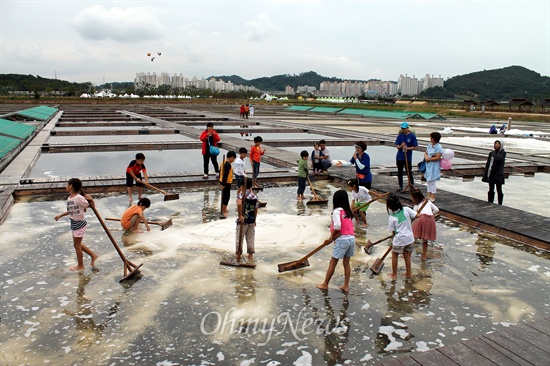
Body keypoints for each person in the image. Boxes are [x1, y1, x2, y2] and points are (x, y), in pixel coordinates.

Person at [54, 178, 98, 271]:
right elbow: (71, 211)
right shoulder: (70, 198)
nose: (66, 187)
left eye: (67, 185)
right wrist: (60, 215)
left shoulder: (79, 198)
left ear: (71, 186)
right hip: (74, 223)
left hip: (79, 223)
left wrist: (91, 200)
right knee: (77, 244)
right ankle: (93, 255)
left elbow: (89, 206)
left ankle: (80, 265)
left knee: (77, 245)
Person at [316, 189, 355, 292]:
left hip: (342, 240)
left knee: (333, 263)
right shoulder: (348, 211)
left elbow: (338, 226)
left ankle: (325, 284)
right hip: (351, 239)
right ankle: (346, 286)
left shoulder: (337, 211)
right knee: (346, 263)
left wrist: (331, 236)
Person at [386, 194, 416, 280]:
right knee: (406, 255)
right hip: (410, 238)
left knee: (394, 255)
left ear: (390, 207)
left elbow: (393, 231)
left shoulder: (392, 218)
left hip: (400, 239)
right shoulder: (406, 209)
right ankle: (409, 273)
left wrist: (394, 234)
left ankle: (394, 274)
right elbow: (416, 215)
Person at [236, 178, 260, 263]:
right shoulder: (254, 196)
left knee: (240, 238)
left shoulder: (241, 195)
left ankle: (238, 254)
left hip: (243, 221)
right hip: (251, 220)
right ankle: (250, 255)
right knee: (250, 238)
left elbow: (239, 203)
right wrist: (255, 219)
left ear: (242, 186)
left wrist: (240, 216)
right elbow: (256, 209)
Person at [411, 189, 439, 261]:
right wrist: (431, 215)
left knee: (414, 237)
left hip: (422, 218)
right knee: (425, 239)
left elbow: (414, 215)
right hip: (430, 220)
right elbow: (437, 210)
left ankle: (408, 253)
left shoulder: (416, 205)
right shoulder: (428, 202)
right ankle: (424, 256)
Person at [394, 122, 418, 192]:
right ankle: (400, 186)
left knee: (408, 172)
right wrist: (401, 146)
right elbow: (397, 146)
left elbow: (414, 147)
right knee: (400, 172)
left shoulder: (412, 136)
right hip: (400, 157)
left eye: (404, 128)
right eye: (402, 128)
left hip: (408, 157)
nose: (403, 130)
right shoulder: (400, 136)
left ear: (407, 128)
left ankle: (411, 185)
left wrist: (407, 148)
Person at [482, 140, 506, 205]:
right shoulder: (492, 153)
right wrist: (486, 173)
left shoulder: (503, 153)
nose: (497, 145)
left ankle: (500, 204)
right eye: (496, 144)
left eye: (498, 144)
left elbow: (499, 159)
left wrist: (493, 155)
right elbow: (488, 163)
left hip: (498, 174)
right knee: (491, 188)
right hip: (491, 173)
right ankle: (490, 202)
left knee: (499, 189)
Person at [423, 132, 443, 202]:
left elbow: (438, 157)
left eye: (431, 138)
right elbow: (425, 153)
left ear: (434, 139)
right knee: (428, 180)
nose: (430, 139)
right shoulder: (430, 145)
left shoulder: (438, 147)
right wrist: (426, 158)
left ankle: (433, 196)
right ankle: (428, 195)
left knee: (433, 180)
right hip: (428, 164)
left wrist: (430, 159)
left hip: (434, 165)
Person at [219, 151, 236, 217]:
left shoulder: (223, 162)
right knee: (226, 196)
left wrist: (221, 182)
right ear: (231, 157)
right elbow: (225, 175)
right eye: (233, 159)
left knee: (224, 195)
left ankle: (224, 208)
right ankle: (224, 210)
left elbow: (220, 171)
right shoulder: (227, 164)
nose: (233, 160)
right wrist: (223, 184)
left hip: (222, 181)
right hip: (226, 182)